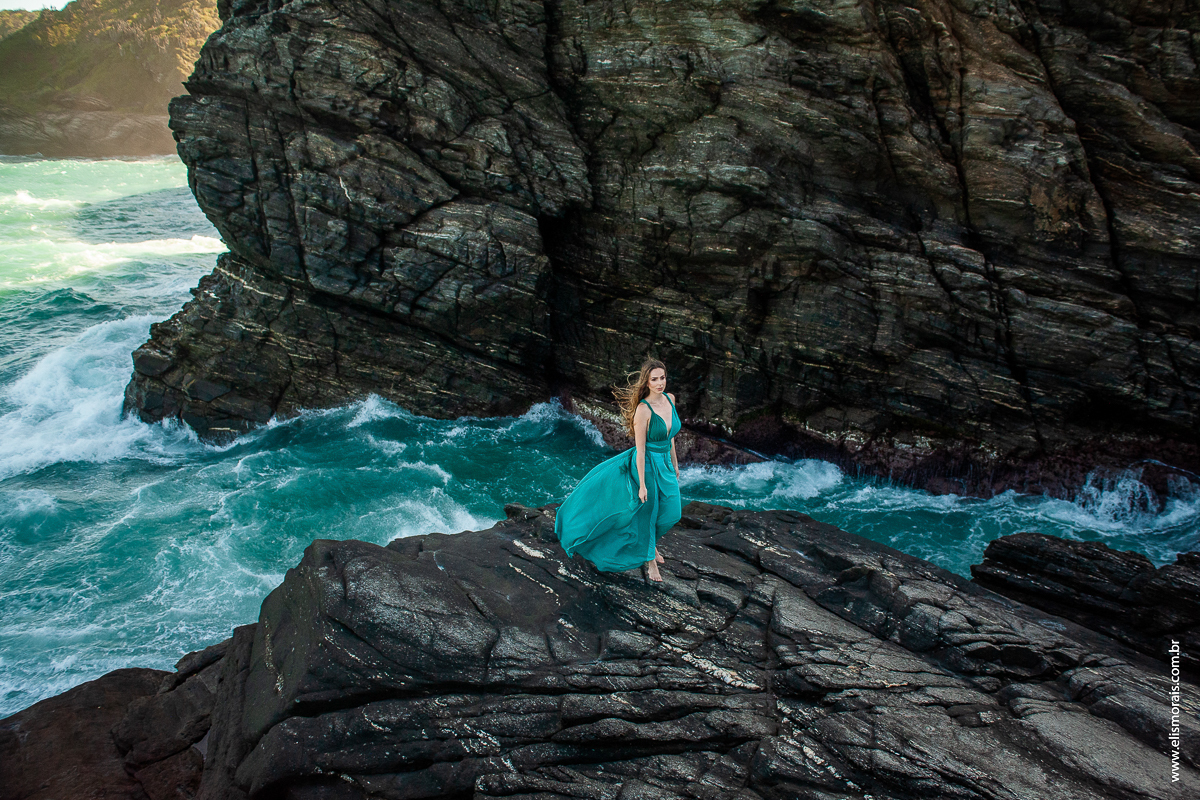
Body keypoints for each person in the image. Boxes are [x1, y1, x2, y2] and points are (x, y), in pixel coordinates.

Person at [554, 358, 682, 582]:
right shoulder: (643, 410)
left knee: (672, 513)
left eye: (662, 378)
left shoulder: (670, 399)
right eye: (655, 379)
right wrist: (641, 484)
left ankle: (650, 546)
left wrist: (675, 464)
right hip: (648, 465)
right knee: (649, 513)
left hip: (666, 464)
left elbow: (671, 438)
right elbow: (640, 450)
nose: (660, 383)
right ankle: (650, 560)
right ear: (647, 382)